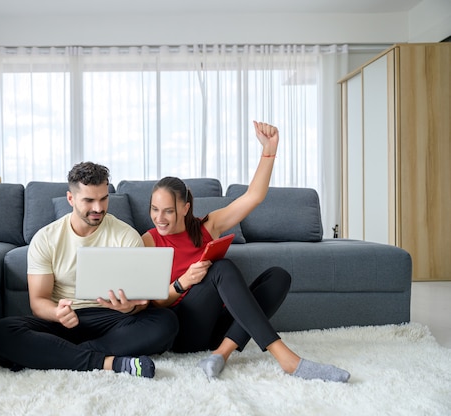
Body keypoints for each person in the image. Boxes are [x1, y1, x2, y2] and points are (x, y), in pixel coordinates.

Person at [142, 121, 350, 382]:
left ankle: (220, 354)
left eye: (168, 211)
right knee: (221, 268)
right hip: (184, 331)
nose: (159, 218)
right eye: (154, 209)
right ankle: (287, 358)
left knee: (279, 276)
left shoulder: (209, 225)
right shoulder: (148, 241)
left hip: (219, 326)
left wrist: (269, 152)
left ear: (185, 208)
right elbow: (153, 303)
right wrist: (184, 282)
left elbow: (253, 197)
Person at [0, 162, 178, 378]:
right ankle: (108, 362)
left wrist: (130, 309)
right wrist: (57, 314)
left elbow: (140, 303)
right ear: (71, 199)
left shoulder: (126, 235)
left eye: (103, 198)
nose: (98, 208)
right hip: (64, 322)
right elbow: (38, 302)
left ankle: (57, 354)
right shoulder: (46, 238)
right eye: (89, 200)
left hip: (112, 320)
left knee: (165, 322)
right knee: (1, 333)